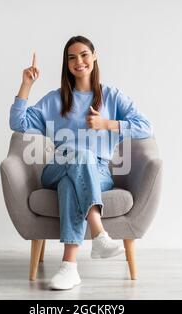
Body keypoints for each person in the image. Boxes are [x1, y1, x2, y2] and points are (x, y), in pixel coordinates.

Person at [9, 35, 152, 290]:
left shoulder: (111, 96)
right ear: (67, 64)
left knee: (68, 185)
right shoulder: (55, 100)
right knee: (78, 157)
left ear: (94, 57)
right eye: (72, 57)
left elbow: (145, 127)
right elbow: (18, 123)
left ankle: (69, 267)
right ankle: (99, 234)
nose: (79, 61)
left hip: (99, 172)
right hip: (57, 166)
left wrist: (107, 124)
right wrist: (26, 85)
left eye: (84, 54)